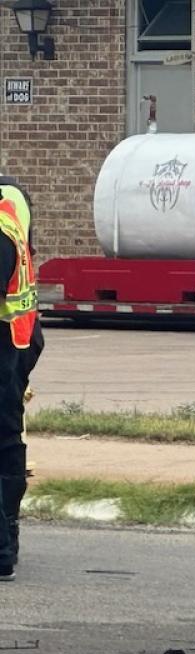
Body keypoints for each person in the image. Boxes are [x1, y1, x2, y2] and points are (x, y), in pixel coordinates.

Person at [0, 175, 40, 582]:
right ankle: (7, 540)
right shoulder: (12, 206)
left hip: (7, 347)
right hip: (19, 342)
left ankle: (3, 548)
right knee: (8, 444)